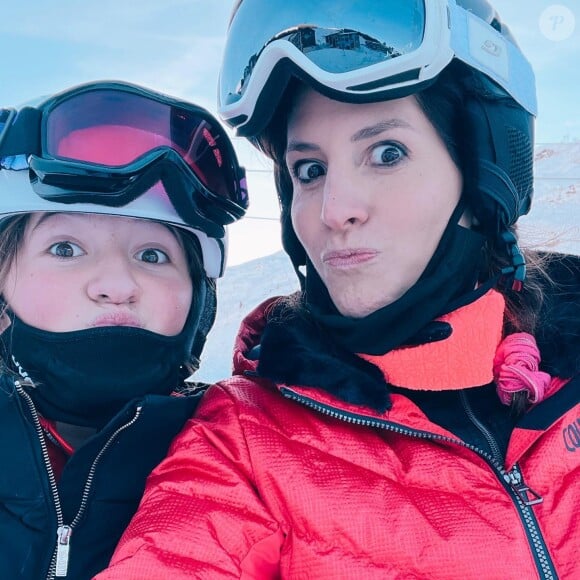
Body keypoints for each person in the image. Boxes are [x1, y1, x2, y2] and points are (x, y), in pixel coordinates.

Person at [98, 1, 578, 578]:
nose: (333, 210)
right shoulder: (246, 444)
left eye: (386, 153)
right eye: (309, 170)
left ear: (484, 179)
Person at [0, 79, 247, 579]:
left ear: (198, 302)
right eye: (65, 248)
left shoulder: (246, 462)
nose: (117, 284)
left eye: (152, 255)